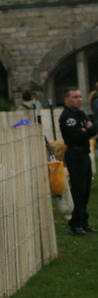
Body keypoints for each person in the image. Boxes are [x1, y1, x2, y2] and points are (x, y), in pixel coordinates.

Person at [58, 86, 96, 235]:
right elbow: (77, 136)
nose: (79, 99)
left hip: (84, 154)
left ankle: (84, 222)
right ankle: (76, 224)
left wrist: (87, 130)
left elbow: (93, 130)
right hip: (75, 154)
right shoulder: (67, 116)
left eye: (80, 96)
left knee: (86, 190)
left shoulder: (80, 114)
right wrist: (86, 130)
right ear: (67, 99)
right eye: (75, 97)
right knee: (78, 190)